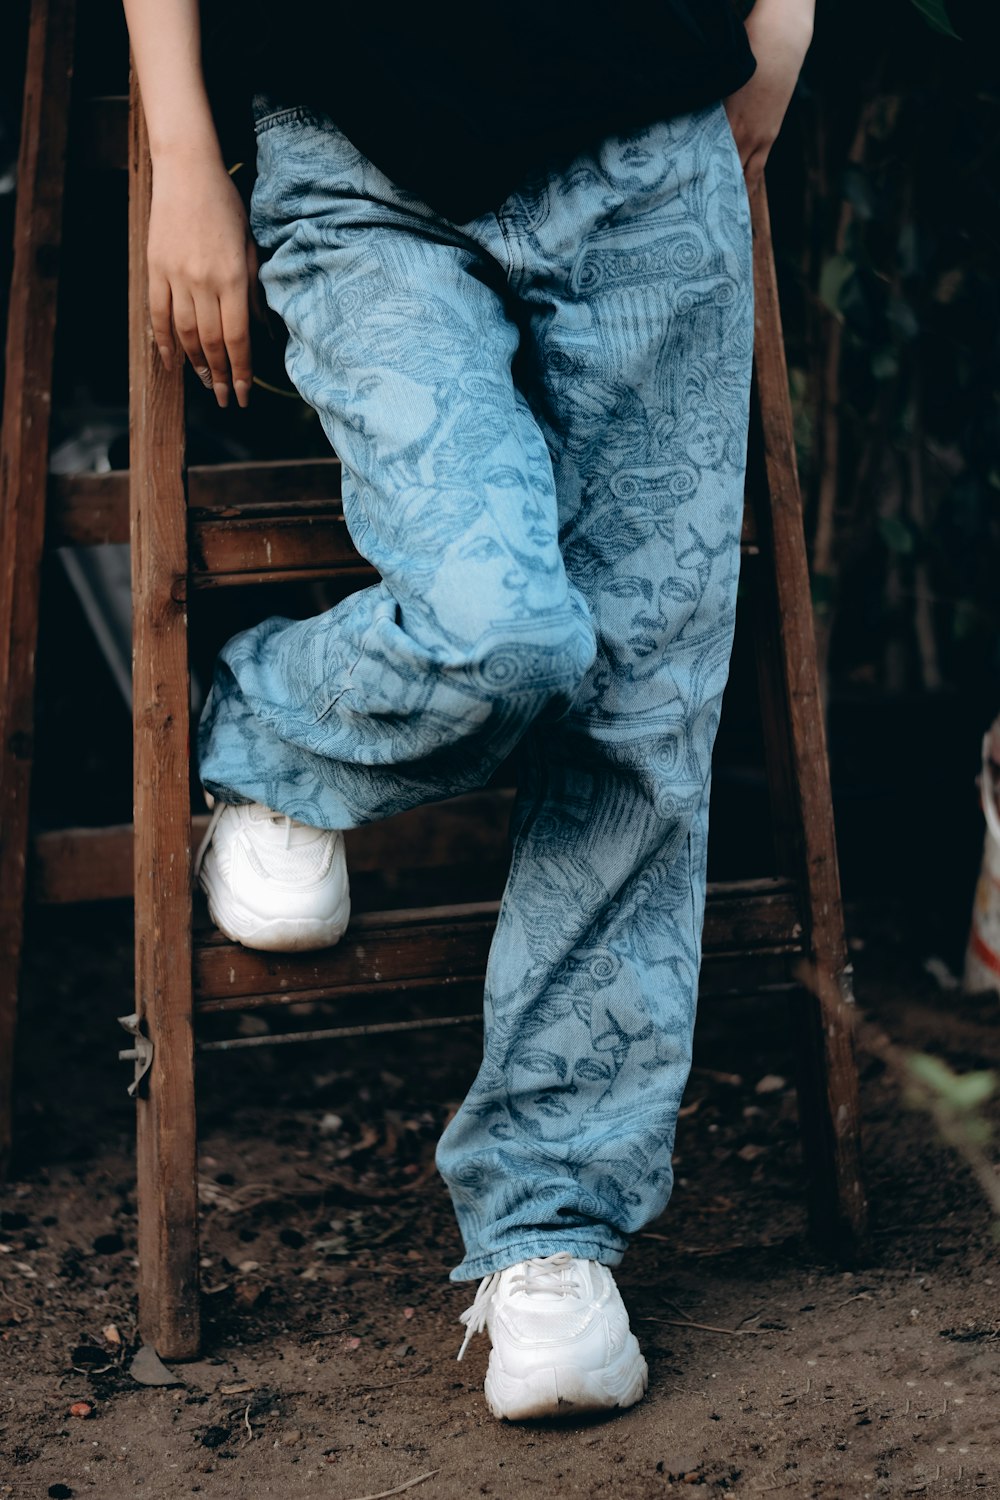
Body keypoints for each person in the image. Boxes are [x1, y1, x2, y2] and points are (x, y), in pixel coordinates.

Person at [122, 0, 815, 1421]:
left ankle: (550, 1236)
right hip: (362, 158)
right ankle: (268, 734)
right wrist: (186, 154)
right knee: (504, 632)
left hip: (651, 138)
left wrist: (786, 33)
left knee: (641, 711)